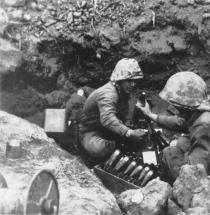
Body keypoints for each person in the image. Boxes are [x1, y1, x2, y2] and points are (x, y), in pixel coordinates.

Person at [136, 71, 210, 183]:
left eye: (175, 103)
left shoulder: (203, 125)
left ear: (184, 103)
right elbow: (181, 123)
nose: (173, 105)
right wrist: (151, 115)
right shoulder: (200, 109)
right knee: (181, 142)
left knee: (170, 152)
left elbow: (196, 174)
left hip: (199, 177)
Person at [78, 58, 148, 164]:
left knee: (136, 142)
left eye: (135, 81)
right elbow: (107, 118)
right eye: (129, 80)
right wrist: (129, 132)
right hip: (91, 133)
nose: (133, 85)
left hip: (107, 131)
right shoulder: (109, 94)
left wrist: (130, 128)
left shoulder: (122, 91)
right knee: (102, 149)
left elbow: (123, 114)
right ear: (120, 79)